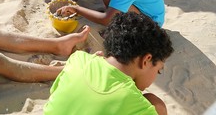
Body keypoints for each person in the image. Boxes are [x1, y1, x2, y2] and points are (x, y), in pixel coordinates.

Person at [45, 12, 173, 115]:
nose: (156, 75)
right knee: (157, 105)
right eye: (158, 70)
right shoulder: (140, 107)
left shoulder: (78, 59)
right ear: (146, 60)